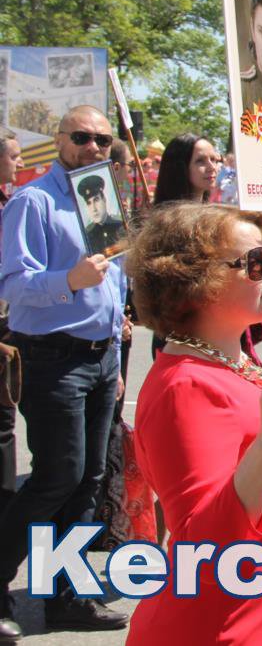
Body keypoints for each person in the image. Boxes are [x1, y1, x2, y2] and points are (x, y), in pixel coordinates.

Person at [125, 203, 262, 645]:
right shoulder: (185, 386)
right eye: (256, 262)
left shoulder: (238, 361)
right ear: (195, 280)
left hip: (260, 617)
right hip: (215, 629)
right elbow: (205, 547)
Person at [0, 106, 127, 636]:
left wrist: (115, 339)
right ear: (59, 140)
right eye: (82, 137)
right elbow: (11, 284)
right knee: (57, 477)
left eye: (103, 140)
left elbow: (114, 276)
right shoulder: (32, 201)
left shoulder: (102, 198)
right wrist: (68, 281)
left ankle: (63, 596)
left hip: (100, 357)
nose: (94, 147)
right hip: (52, 356)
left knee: (87, 482)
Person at [0, 129, 22, 516]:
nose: (21, 161)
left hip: (7, 324)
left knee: (4, 426)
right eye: (13, 155)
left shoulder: (9, 202)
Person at [152, 133, 220, 206]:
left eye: (213, 159)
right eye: (200, 161)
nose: (212, 167)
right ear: (179, 167)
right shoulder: (168, 213)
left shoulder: (212, 211)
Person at [76, 174, 126, 255]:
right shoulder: (88, 234)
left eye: (96, 200)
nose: (94, 208)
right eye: (89, 203)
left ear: (104, 199)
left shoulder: (120, 224)